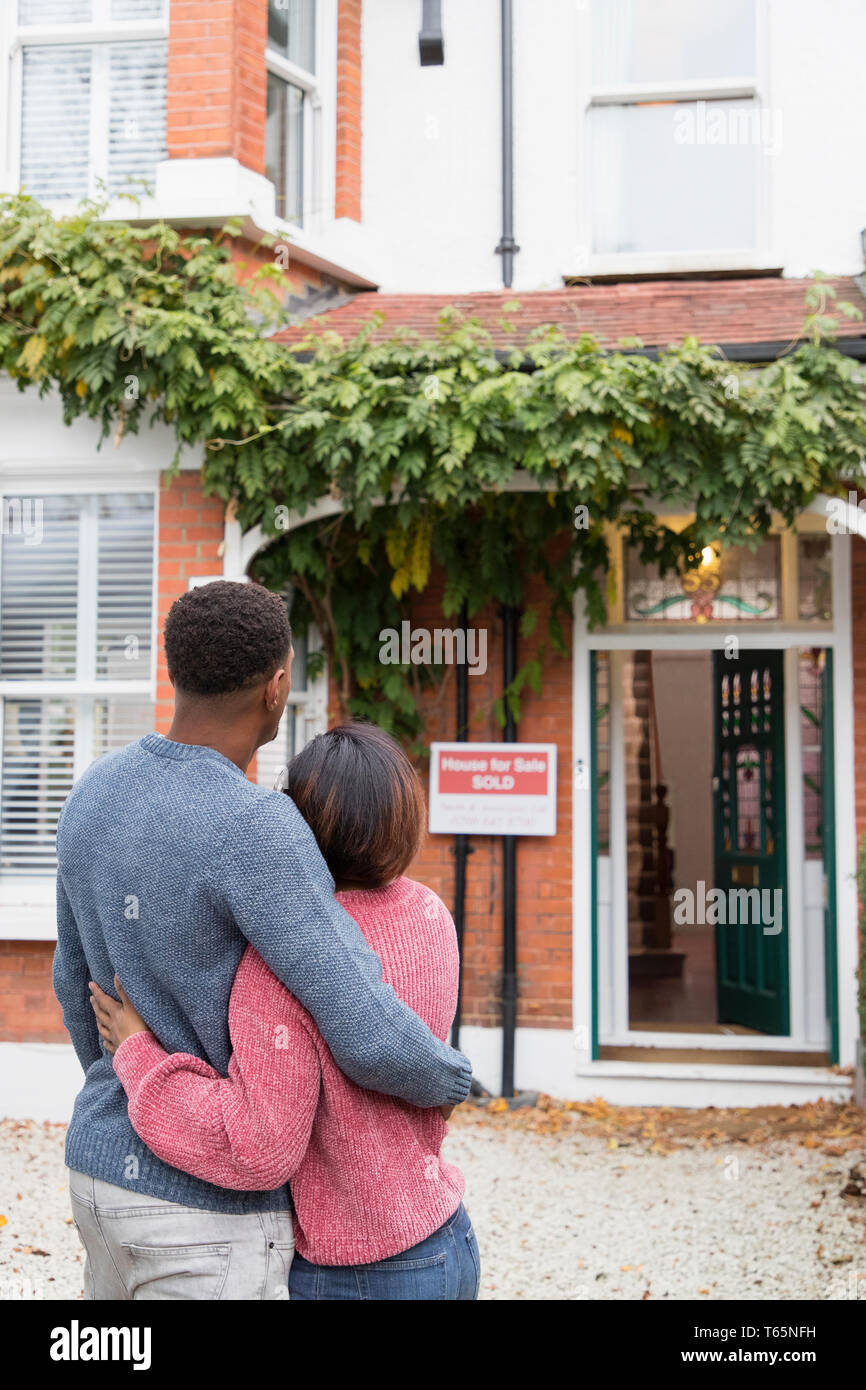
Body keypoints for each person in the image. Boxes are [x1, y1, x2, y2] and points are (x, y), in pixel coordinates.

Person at [54, 581, 471, 1301]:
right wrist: (451, 1079)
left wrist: (125, 1075)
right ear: (277, 687)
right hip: (203, 1208)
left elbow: (71, 983)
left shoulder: (92, 790)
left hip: (96, 1170)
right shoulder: (257, 826)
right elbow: (363, 1026)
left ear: (175, 670)